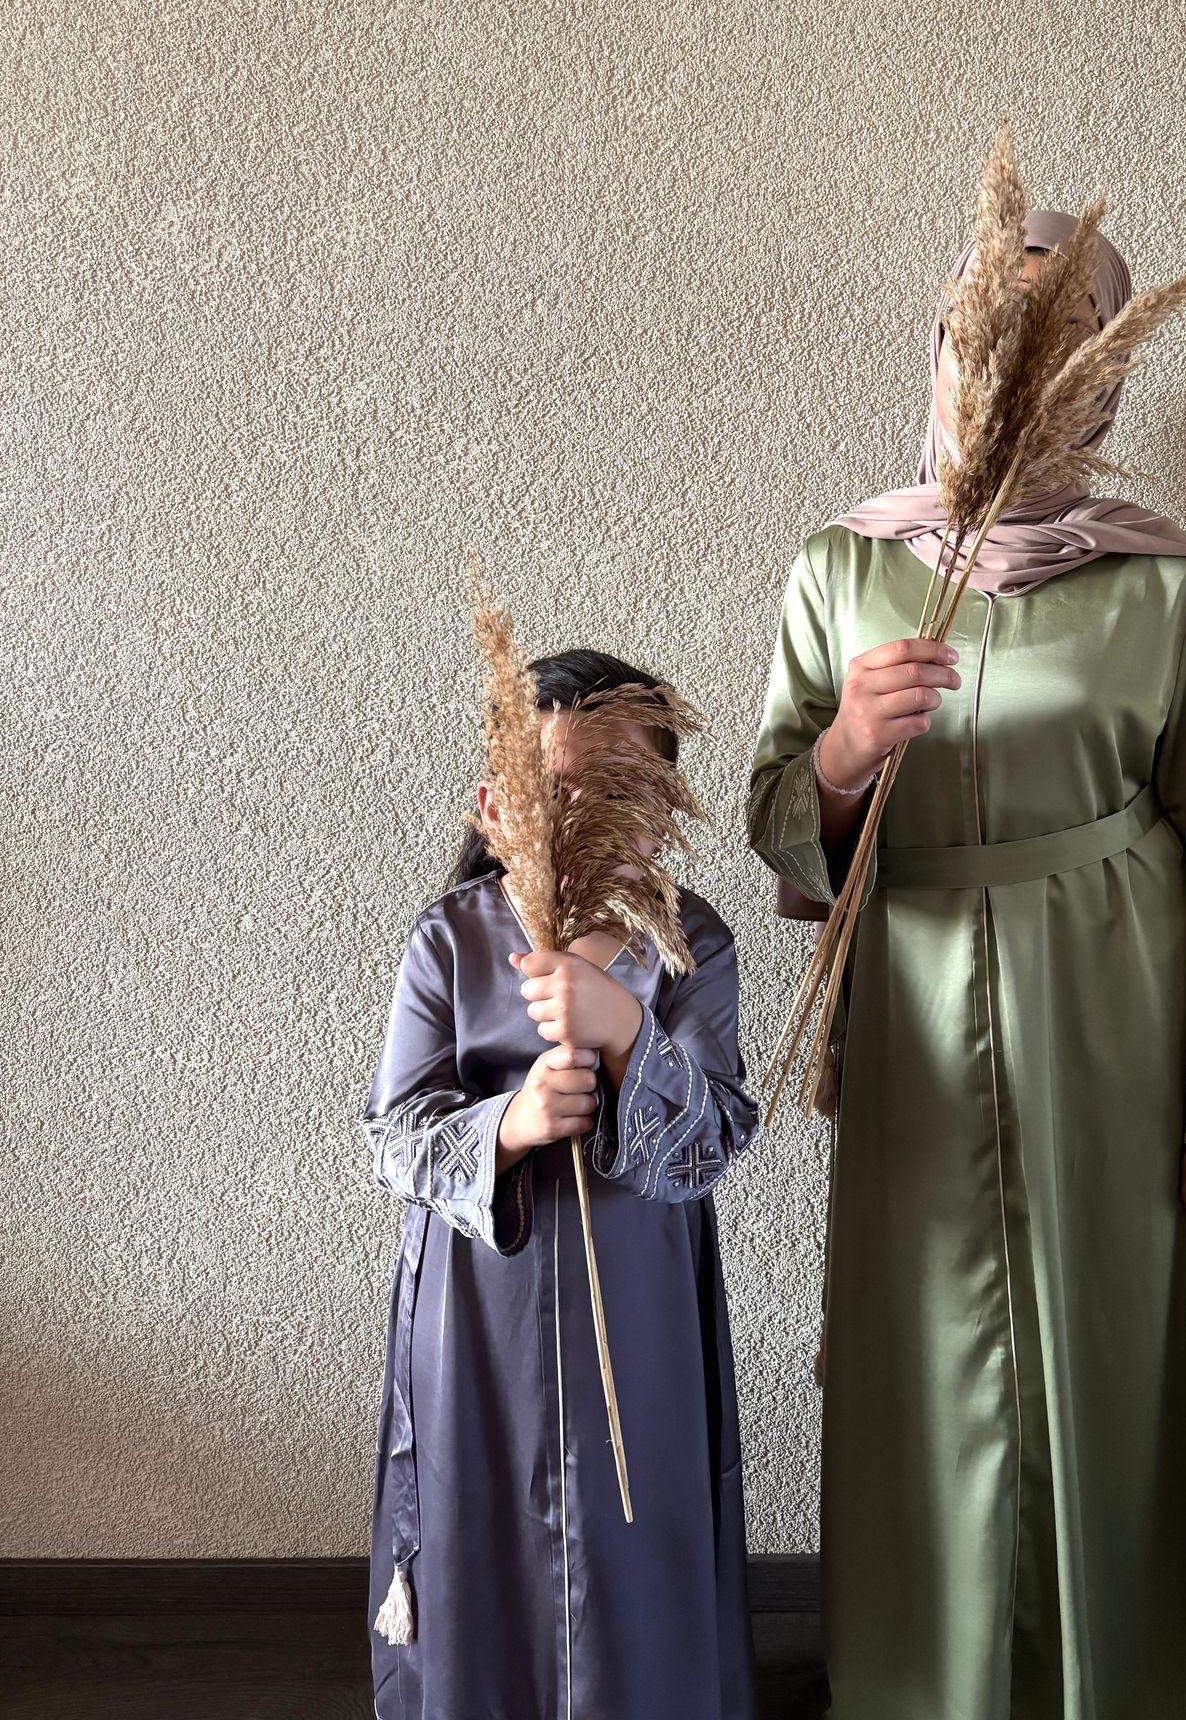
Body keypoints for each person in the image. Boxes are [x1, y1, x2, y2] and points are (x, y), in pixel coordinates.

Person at [747, 215, 1186, 1720]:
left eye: (1052, 333)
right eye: (975, 327)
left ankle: (1129, 1680)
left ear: (1105, 370)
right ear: (939, 344)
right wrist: (842, 752)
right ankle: (927, 1679)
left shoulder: (1167, 589)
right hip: (915, 1031)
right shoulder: (843, 567)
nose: (998, 358)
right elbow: (781, 838)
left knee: (1113, 1349)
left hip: (1114, 1019)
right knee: (927, 1351)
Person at [365, 649, 759, 1720]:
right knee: (480, 1514)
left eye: (620, 789)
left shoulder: (689, 943)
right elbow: (395, 1138)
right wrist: (512, 1122)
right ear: (498, 805)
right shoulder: (451, 939)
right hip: (476, 1314)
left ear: (664, 807)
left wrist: (629, 1034)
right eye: (556, 789)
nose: (584, 814)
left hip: (640, 1300)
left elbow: (714, 1136)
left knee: (637, 1517)